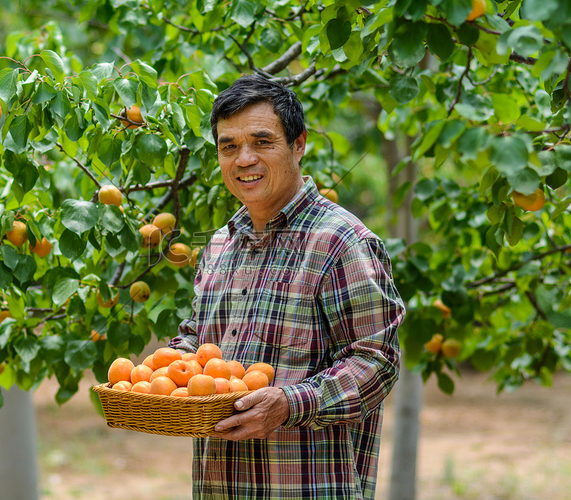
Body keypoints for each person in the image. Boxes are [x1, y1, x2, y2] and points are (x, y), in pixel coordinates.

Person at [169, 74, 405, 499]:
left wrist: (291, 404)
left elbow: (377, 363)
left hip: (305, 487)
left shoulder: (341, 242)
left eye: (262, 142)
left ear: (299, 144)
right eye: (229, 146)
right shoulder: (219, 245)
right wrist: (165, 369)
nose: (244, 159)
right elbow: (200, 345)